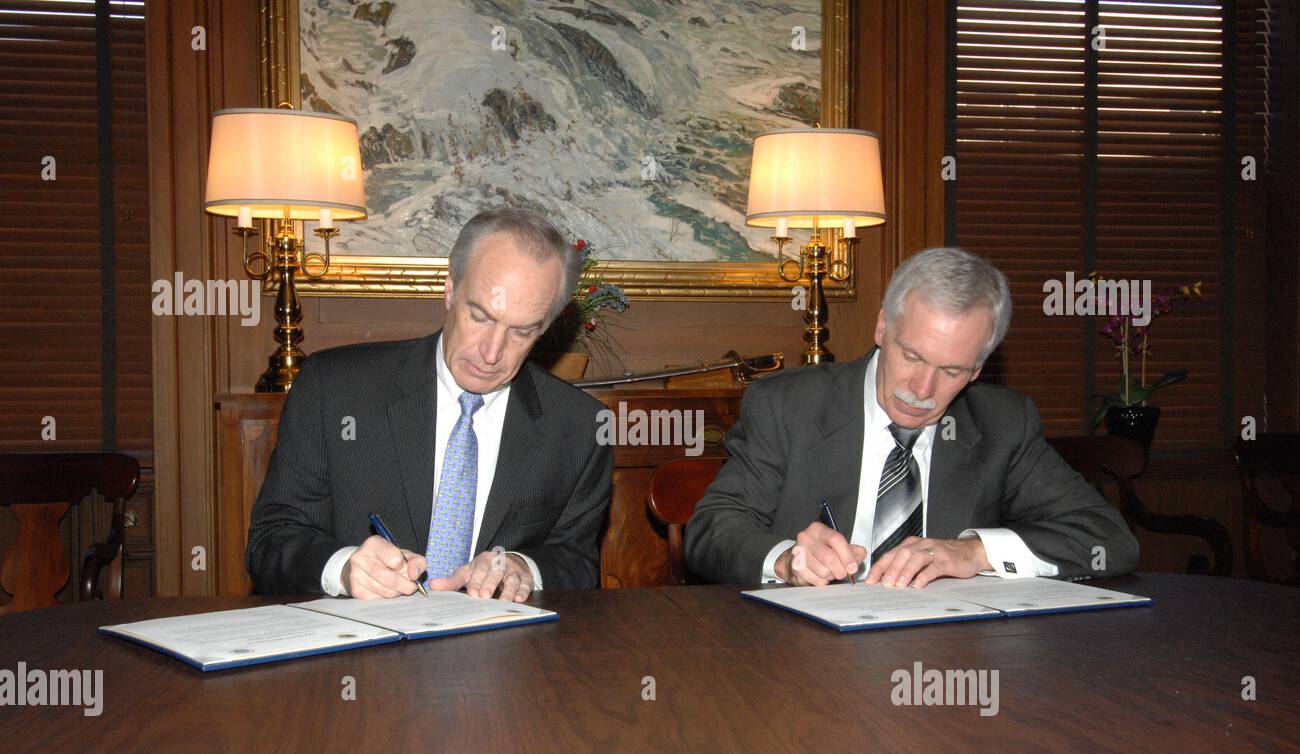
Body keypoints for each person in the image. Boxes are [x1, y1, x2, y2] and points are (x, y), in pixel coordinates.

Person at [686, 246, 1139, 588]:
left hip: (943, 656)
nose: (921, 391)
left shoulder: (1002, 425)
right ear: (883, 326)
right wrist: (787, 560)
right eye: (912, 356)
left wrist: (975, 553)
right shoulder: (787, 406)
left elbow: (1109, 539)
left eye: (952, 371)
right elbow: (711, 531)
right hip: (802, 656)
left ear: (977, 370)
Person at [247, 207, 613, 600]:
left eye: (521, 332)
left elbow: (576, 561)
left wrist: (524, 567)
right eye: (480, 317)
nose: (492, 353)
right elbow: (272, 540)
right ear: (450, 288)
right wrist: (344, 568)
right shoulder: (333, 388)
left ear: (545, 327)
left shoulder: (580, 426)